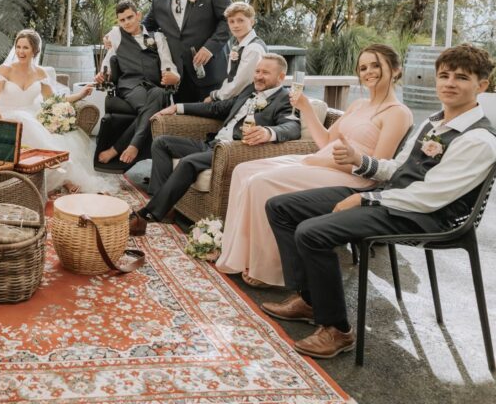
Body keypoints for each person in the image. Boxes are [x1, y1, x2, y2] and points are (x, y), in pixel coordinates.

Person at [262, 44, 496, 360]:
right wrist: (361, 161)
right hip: (391, 198)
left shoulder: (479, 140)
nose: (449, 83)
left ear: (481, 85)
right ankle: (310, 299)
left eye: (462, 77)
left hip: (425, 216)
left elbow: (430, 197)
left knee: (311, 232)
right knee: (280, 206)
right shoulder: (435, 122)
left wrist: (366, 199)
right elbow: (398, 167)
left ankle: (336, 330)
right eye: (444, 75)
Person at [216, 44, 412, 287]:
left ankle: (270, 269)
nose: (368, 71)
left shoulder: (398, 113)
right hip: (321, 163)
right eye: (363, 67)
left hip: (352, 177)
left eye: (376, 65)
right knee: (243, 170)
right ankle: (241, 254)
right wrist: (306, 108)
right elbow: (326, 141)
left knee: (261, 183)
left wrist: (322, 160)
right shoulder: (358, 105)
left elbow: (378, 169)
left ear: (395, 69)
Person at [134, 54, 301, 236]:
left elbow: (292, 126)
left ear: (281, 77)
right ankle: (163, 207)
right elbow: (218, 108)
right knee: (161, 143)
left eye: (266, 73)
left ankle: (146, 215)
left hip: (233, 151)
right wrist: (178, 107)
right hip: (212, 144)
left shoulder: (285, 98)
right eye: (257, 71)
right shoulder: (250, 90)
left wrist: (268, 133)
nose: (259, 76)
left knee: (188, 162)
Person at [0, 29, 108, 193]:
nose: (20, 51)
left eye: (25, 47)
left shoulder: (40, 73)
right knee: (23, 121)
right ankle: (61, 177)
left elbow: (53, 100)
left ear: (34, 50)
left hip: (32, 117)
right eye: (18, 47)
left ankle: (63, 178)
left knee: (45, 134)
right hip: (7, 117)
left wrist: (80, 94)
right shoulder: (6, 69)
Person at [94, 0, 179, 166]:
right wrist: (103, 75)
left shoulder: (158, 37)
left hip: (154, 86)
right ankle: (131, 146)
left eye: (130, 17)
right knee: (150, 108)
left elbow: (168, 63)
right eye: (122, 20)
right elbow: (107, 61)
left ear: (138, 15)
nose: (126, 22)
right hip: (130, 86)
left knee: (160, 93)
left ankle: (119, 148)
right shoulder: (116, 35)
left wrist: (173, 76)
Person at [143, 0, 231, 102]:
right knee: (183, 123)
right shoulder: (158, 1)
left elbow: (229, 21)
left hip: (211, 73)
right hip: (180, 79)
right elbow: (144, 28)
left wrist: (210, 48)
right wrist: (115, 36)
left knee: (212, 123)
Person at [206, 2, 266, 102]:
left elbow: (240, 84)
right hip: (235, 97)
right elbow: (231, 77)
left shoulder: (253, 48)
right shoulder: (238, 44)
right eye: (231, 21)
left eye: (240, 20)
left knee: (192, 108)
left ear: (252, 22)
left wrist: (215, 95)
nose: (236, 25)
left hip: (247, 101)